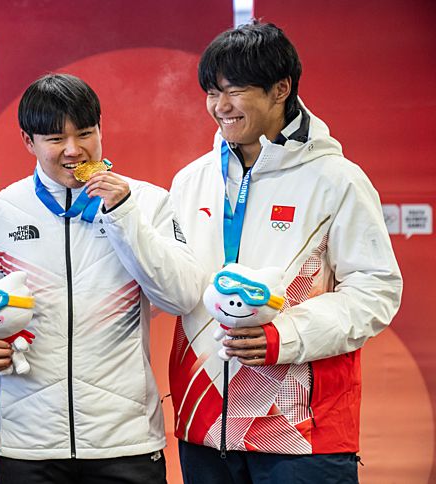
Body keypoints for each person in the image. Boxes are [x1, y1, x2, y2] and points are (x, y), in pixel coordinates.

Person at [168, 21, 402, 483]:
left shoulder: (337, 180)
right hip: (204, 423)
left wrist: (285, 337)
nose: (220, 106)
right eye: (212, 92)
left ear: (281, 89)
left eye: (235, 90)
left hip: (301, 431)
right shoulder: (191, 179)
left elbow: (377, 291)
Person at [0, 73, 205, 484]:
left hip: (125, 442)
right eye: (55, 139)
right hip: (28, 443)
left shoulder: (147, 202)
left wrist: (123, 214)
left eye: (86, 133)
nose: (73, 150)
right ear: (27, 141)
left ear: (101, 130)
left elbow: (182, 296)